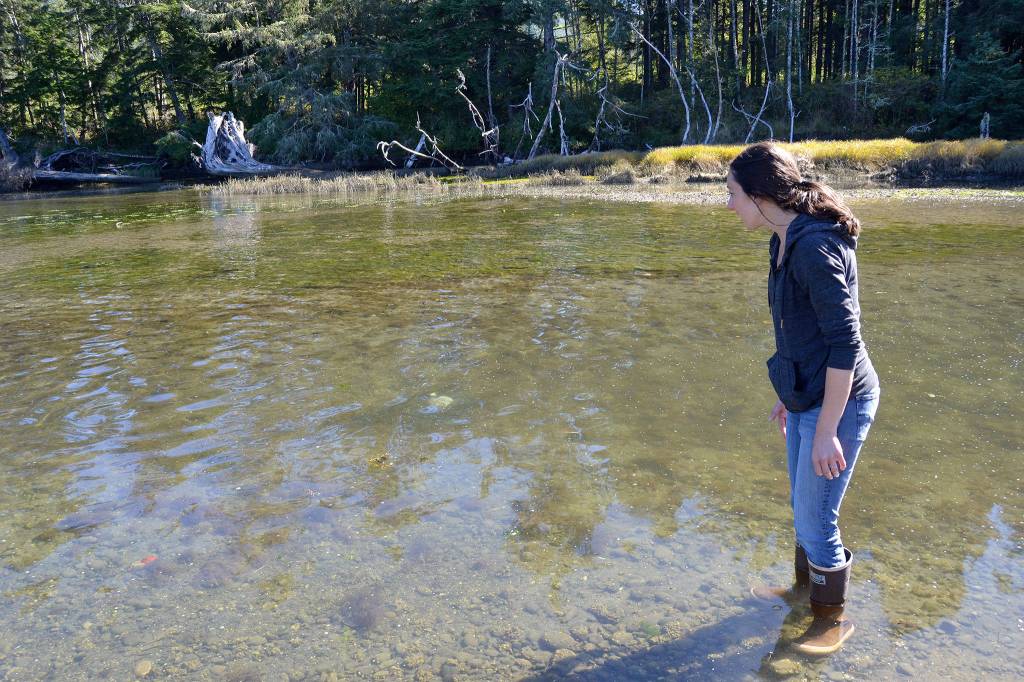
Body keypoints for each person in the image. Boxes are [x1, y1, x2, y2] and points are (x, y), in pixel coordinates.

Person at [726, 142, 880, 655]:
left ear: (761, 195)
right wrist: (791, 394)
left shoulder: (815, 247)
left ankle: (830, 620)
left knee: (818, 520)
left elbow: (845, 343)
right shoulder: (783, 237)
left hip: (843, 398)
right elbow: (798, 327)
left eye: (734, 196)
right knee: (802, 504)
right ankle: (801, 593)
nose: (730, 207)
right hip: (809, 394)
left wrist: (827, 427)